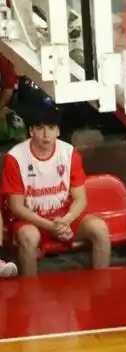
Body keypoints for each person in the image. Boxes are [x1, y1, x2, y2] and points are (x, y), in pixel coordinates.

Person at [0, 105, 111, 276]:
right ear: (31, 130)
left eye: (51, 128)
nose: (46, 135)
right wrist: (50, 226)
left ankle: (102, 288)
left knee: (100, 229)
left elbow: (80, 199)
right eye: (40, 128)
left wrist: (66, 220)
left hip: (63, 217)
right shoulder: (15, 158)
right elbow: (17, 207)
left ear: (58, 131)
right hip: (31, 220)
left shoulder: (69, 153)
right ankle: (30, 296)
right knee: (29, 238)